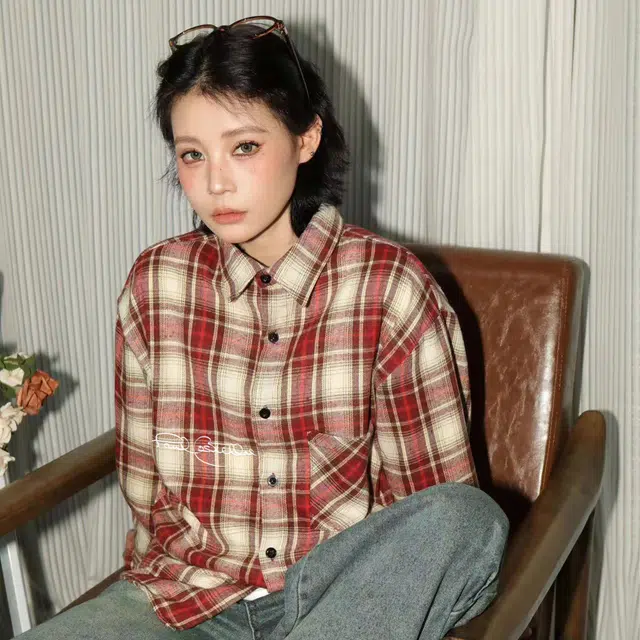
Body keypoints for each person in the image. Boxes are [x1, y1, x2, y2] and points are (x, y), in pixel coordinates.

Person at [17, 16, 508, 640]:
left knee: (466, 519)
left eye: (244, 146)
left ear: (306, 137)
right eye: (192, 154)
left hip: (340, 603)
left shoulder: (389, 288)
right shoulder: (155, 286)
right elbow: (146, 489)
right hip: (185, 602)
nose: (215, 182)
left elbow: (431, 515)